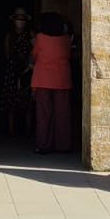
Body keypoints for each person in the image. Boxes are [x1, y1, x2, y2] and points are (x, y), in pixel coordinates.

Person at [29, 12, 74, 155]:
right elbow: (69, 55)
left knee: (43, 114)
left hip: (43, 80)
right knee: (62, 114)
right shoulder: (66, 39)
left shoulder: (40, 38)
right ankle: (63, 145)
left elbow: (34, 55)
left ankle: (43, 145)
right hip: (62, 80)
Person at [2, 7, 34, 140]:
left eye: (22, 19)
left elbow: (34, 51)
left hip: (27, 70)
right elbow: (7, 53)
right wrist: (15, 63)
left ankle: (28, 130)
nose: (20, 22)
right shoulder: (10, 35)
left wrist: (27, 65)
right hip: (12, 71)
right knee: (11, 102)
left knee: (27, 103)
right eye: (18, 19)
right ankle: (11, 131)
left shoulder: (30, 35)